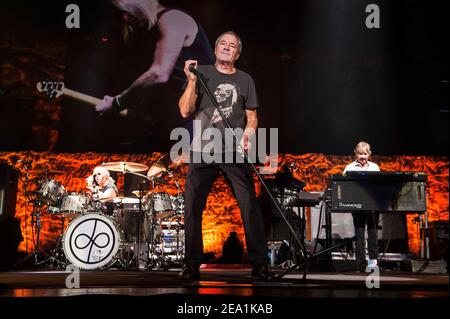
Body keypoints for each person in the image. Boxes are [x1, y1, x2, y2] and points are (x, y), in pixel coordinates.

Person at [178, 31, 272, 279]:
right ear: (216, 48)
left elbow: (252, 119)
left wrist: (248, 136)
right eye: (222, 43)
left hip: (234, 151)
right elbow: (185, 111)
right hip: (203, 151)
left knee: (249, 205)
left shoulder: (245, 80)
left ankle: (260, 263)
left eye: (232, 46)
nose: (226, 47)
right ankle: (191, 265)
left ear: (238, 53)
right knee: (192, 208)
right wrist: (190, 80)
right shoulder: (201, 73)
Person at [94, 0, 215, 150]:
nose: (125, 18)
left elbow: (158, 75)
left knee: (187, 170)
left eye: (126, 11)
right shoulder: (151, 30)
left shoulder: (173, 19)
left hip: (198, 121)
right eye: (120, 14)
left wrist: (117, 102)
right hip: (174, 121)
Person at [343, 141, 380, 271]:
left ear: (369, 154)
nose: (362, 156)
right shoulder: (349, 167)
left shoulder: (375, 167)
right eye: (360, 153)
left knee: (372, 233)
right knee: (359, 234)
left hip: (372, 206)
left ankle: (373, 261)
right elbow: (344, 186)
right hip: (357, 205)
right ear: (355, 153)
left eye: (365, 153)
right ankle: (360, 262)